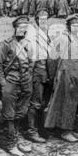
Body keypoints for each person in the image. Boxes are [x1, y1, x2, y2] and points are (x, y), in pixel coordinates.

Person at [44, 14, 78, 143]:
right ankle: (64, 131)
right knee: (64, 103)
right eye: (73, 25)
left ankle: (68, 127)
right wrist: (54, 76)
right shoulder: (63, 39)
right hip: (64, 76)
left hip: (75, 76)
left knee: (72, 103)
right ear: (68, 26)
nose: (76, 27)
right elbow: (52, 60)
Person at [0, 15, 33, 156]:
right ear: (15, 28)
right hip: (11, 82)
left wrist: (29, 77)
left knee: (21, 113)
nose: (23, 30)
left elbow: (31, 62)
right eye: (21, 27)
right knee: (9, 114)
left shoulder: (28, 43)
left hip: (25, 82)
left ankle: (16, 139)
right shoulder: (6, 44)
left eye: (25, 27)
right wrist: (4, 84)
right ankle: (11, 144)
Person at [24, 9, 53, 143]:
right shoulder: (32, 34)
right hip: (38, 71)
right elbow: (32, 56)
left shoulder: (45, 33)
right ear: (36, 20)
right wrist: (30, 74)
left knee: (42, 103)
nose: (44, 21)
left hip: (46, 71)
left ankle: (40, 128)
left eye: (46, 19)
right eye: (41, 19)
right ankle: (31, 130)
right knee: (35, 103)